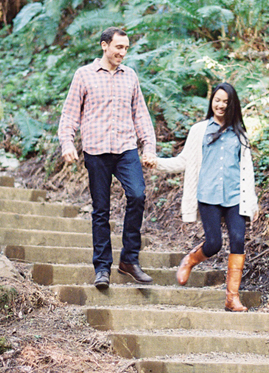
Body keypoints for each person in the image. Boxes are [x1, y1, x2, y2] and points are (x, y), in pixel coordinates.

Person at [58, 27, 158, 289]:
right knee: (101, 210)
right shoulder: (84, 75)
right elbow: (70, 114)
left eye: (126, 48)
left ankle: (129, 260)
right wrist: (67, 143)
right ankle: (102, 268)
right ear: (105, 46)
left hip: (125, 149)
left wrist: (149, 147)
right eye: (118, 48)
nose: (123, 53)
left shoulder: (130, 77)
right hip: (96, 150)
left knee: (137, 195)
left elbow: (141, 115)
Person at [154, 82, 258, 312]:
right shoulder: (199, 130)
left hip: (234, 197)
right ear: (211, 101)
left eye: (225, 102)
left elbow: (247, 170)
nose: (220, 105)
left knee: (238, 240)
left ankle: (232, 298)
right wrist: (157, 163)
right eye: (217, 100)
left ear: (232, 105)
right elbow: (183, 161)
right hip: (208, 195)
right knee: (214, 244)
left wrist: (252, 201)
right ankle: (190, 260)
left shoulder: (240, 133)